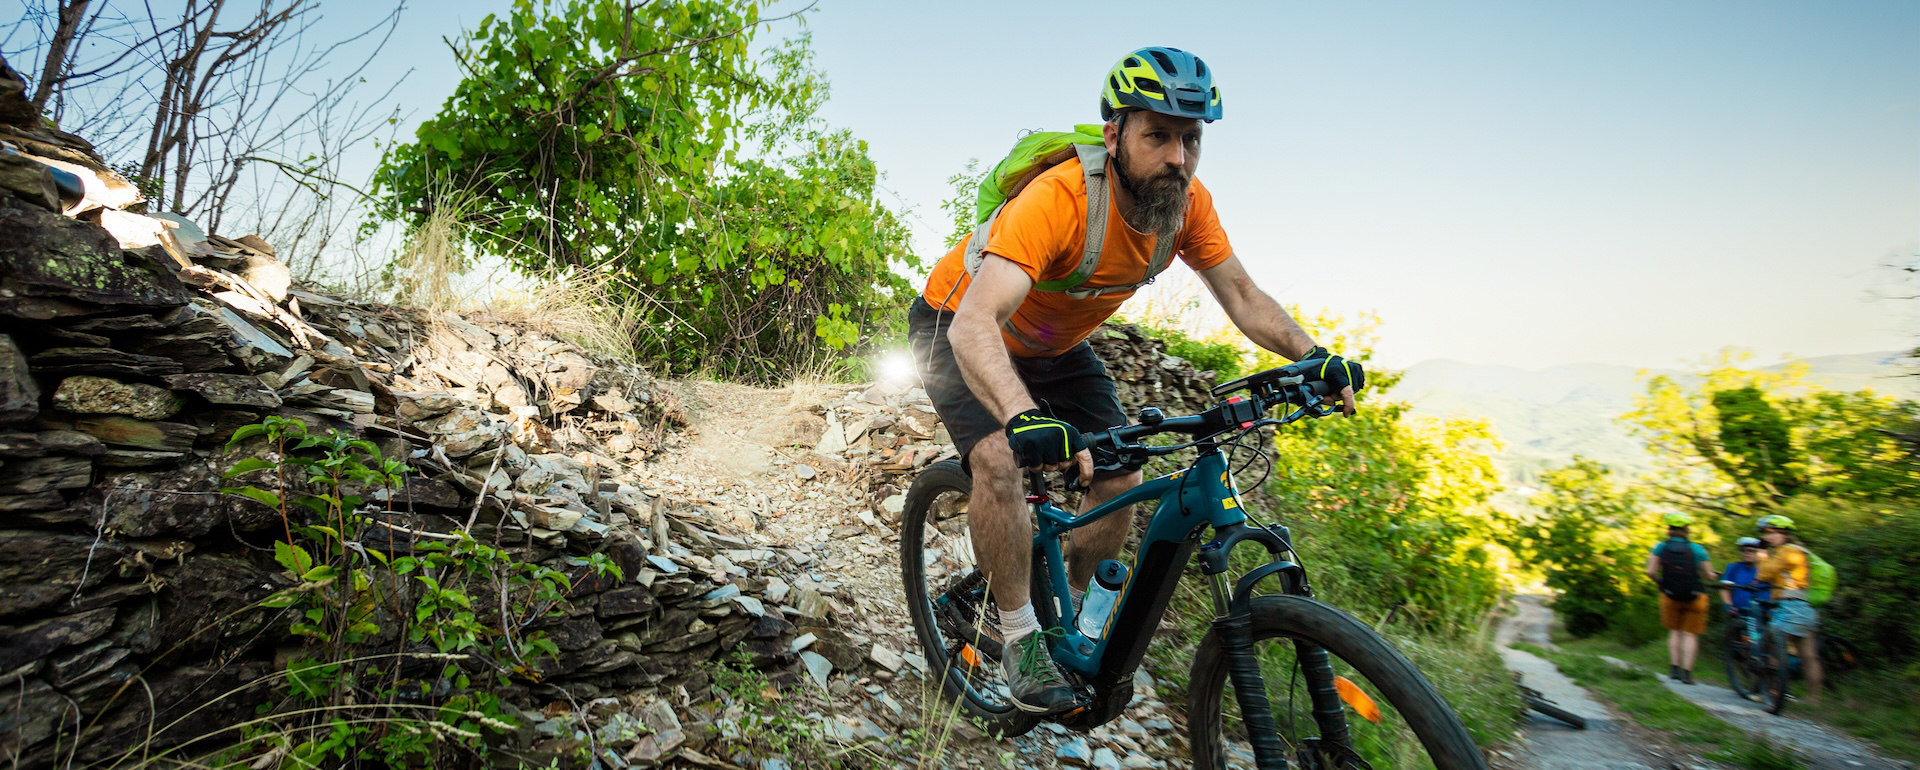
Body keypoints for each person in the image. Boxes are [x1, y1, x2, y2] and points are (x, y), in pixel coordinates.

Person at [907, 47, 1363, 715]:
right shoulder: (1058, 199)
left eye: (1191, 138)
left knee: (1119, 471)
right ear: (1115, 135)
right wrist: (1021, 413)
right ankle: (1022, 639)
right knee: (1001, 458)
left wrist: (1313, 355)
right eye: (1158, 135)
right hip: (958, 324)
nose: (1178, 156)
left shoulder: (1184, 205)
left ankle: (1070, 622)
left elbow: (1241, 292)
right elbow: (976, 320)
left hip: (1055, 344)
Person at [1754, 514, 1822, 705]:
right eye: (1764, 533)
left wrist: (1761, 557)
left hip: (1790, 607)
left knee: (1771, 647)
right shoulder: (1800, 551)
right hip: (1805, 606)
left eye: (1769, 532)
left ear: (1783, 532)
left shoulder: (1786, 552)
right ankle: (1814, 699)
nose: (1766, 537)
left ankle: (1772, 693)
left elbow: (1764, 574)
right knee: (1809, 656)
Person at [1646, 511, 1717, 683]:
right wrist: (1714, 575)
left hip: (1670, 596)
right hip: (1696, 596)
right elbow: (1709, 575)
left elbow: (1650, 571)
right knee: (1690, 634)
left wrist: (1660, 582)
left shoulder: (1660, 548)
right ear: (1687, 529)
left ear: (1669, 529)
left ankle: (1674, 669)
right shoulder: (1697, 549)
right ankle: (1687, 673)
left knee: (1675, 632)